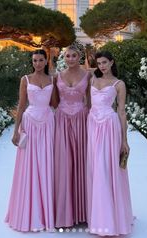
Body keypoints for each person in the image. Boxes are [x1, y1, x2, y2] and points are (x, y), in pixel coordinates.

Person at [5, 49, 56, 232]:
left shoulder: (52, 80)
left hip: (48, 123)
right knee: (30, 166)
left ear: (46, 61)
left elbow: (55, 103)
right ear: (32, 62)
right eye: (35, 60)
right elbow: (21, 105)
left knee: (47, 164)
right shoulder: (25, 79)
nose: (38, 63)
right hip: (30, 123)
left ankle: (46, 212)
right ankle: (30, 212)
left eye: (41, 60)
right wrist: (16, 130)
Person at [87, 50, 133, 236]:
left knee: (106, 169)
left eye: (105, 62)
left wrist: (124, 140)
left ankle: (110, 220)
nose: (102, 66)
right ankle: (98, 216)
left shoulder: (119, 84)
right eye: (99, 63)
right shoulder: (92, 79)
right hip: (92, 125)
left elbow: (121, 112)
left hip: (109, 127)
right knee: (95, 170)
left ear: (112, 62)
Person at [54, 45, 91, 228]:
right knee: (63, 164)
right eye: (67, 55)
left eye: (73, 55)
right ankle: (64, 213)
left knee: (82, 163)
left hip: (81, 120)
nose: (70, 58)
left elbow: (91, 102)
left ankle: (83, 212)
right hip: (61, 120)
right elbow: (53, 100)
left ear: (80, 57)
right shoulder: (57, 76)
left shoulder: (88, 76)